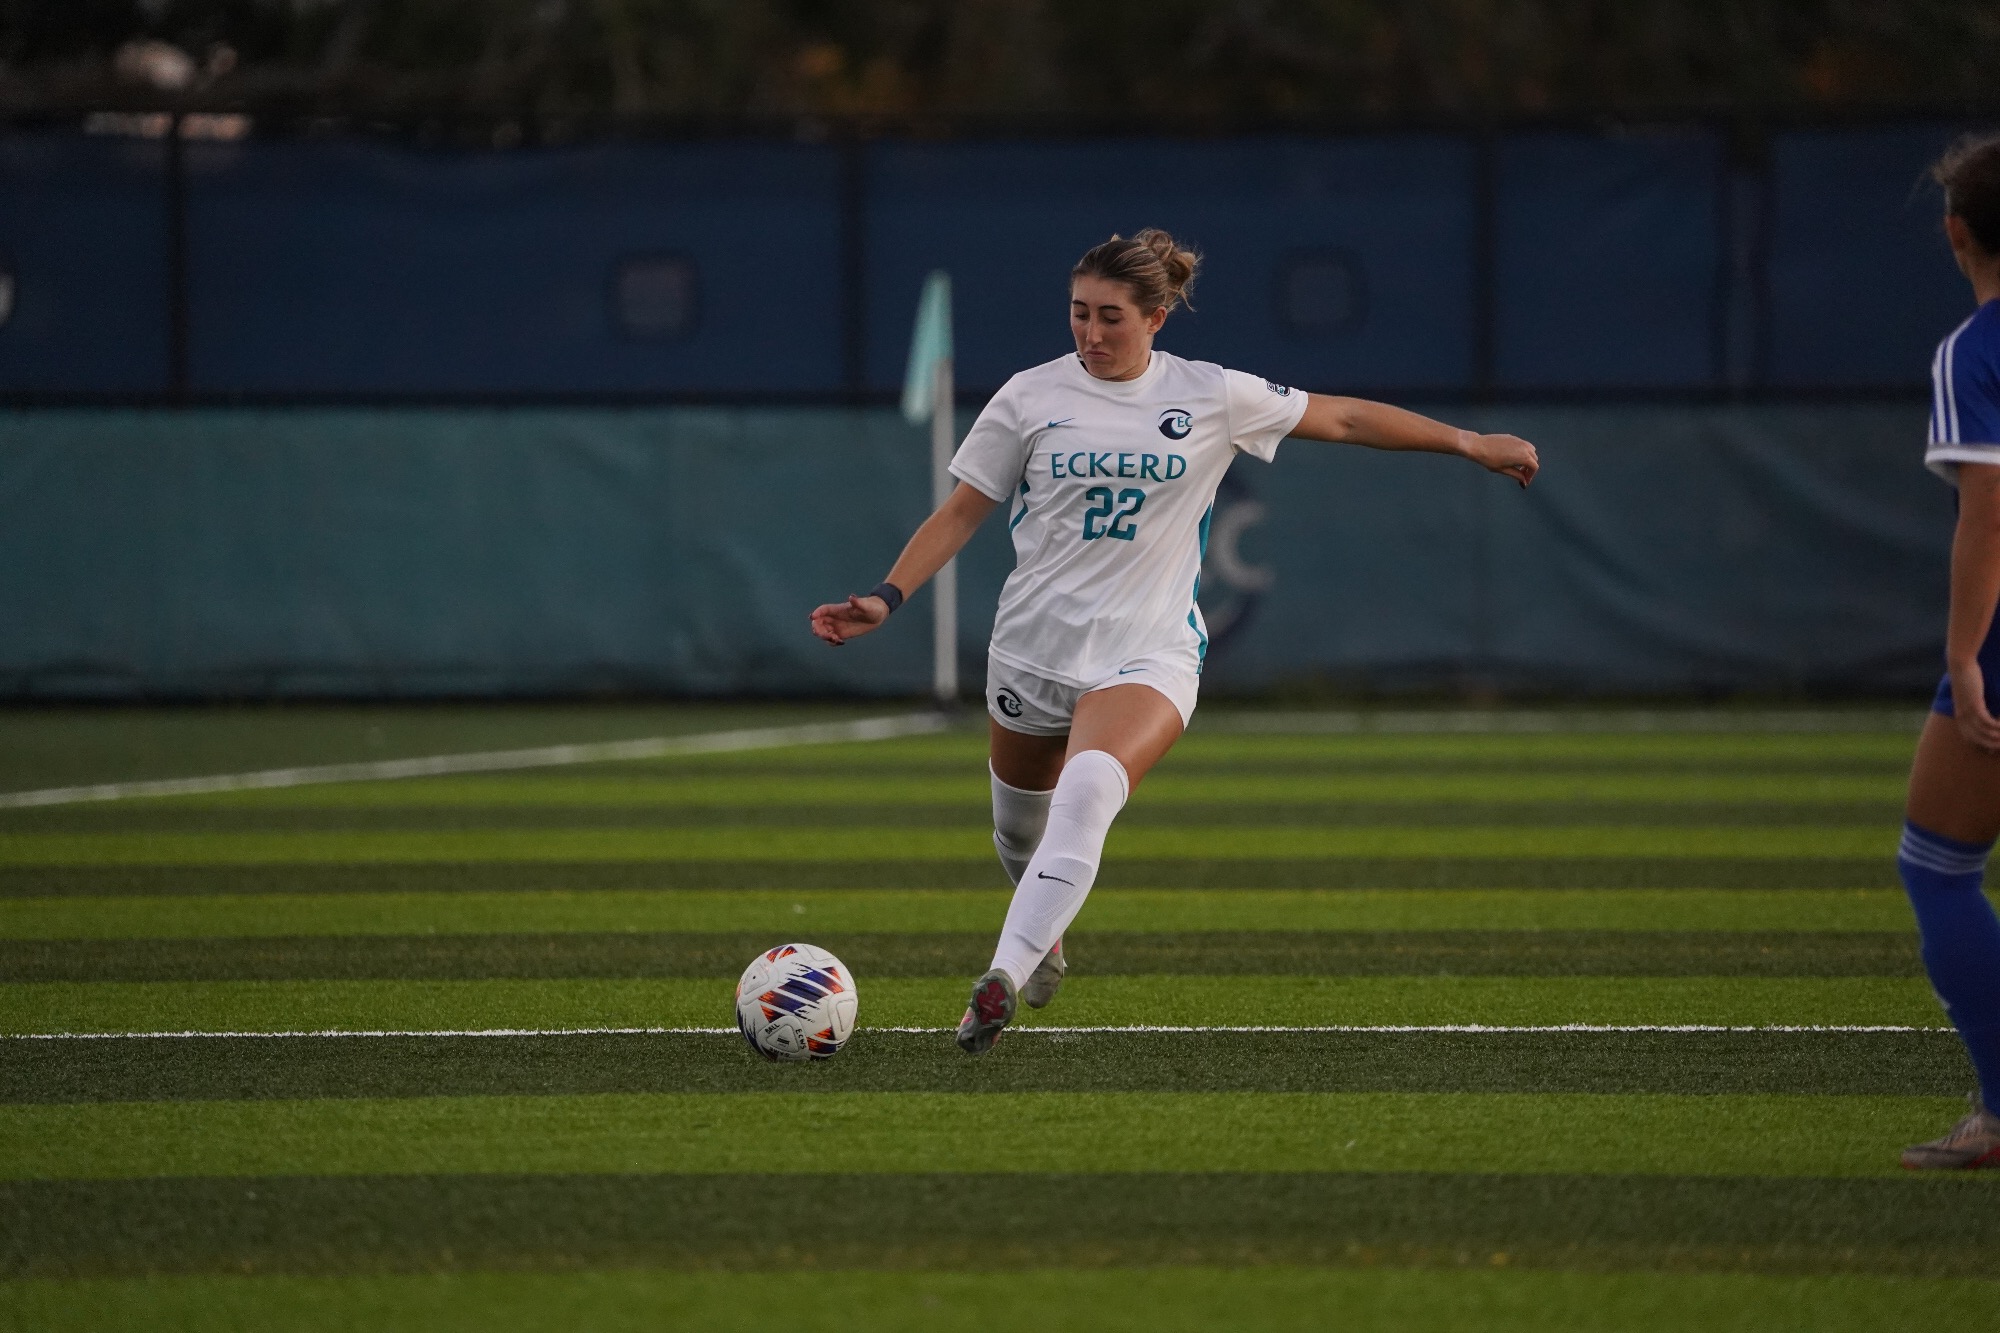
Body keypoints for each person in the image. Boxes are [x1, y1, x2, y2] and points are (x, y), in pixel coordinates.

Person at [808, 228, 1539, 1054]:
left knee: (1089, 790)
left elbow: (1343, 416)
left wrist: (1469, 442)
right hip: (1031, 652)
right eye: (1079, 314)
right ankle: (1044, 940)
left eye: (1111, 316)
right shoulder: (1028, 396)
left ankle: (1000, 976)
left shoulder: (1212, 394)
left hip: (1147, 652)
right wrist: (885, 596)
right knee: (1018, 832)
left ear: (1156, 317)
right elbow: (961, 512)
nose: (1091, 333)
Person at [1899, 132, 2000, 1169]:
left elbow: (1988, 507)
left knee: (1936, 867)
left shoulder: (1974, 351)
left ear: (1954, 233)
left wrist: (1965, 656)